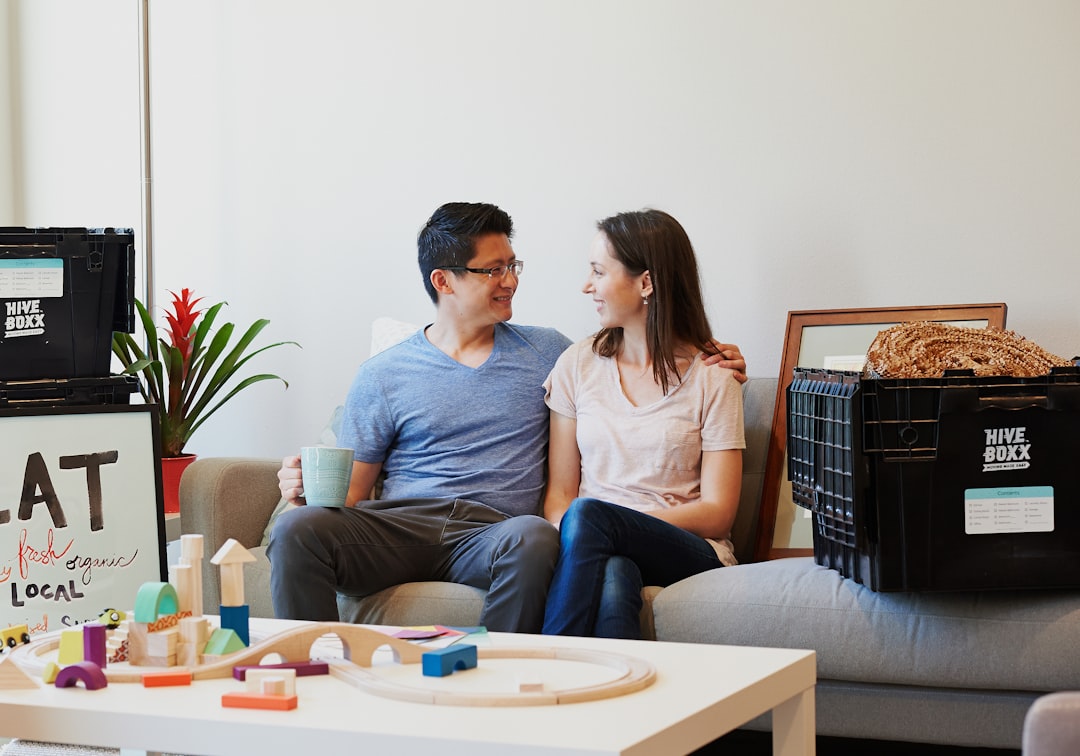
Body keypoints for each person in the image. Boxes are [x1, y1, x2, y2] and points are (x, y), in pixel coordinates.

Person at [268, 201, 747, 634]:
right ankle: (313, 674)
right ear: (444, 280)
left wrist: (720, 357)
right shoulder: (384, 374)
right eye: (493, 270)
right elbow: (349, 492)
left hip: (495, 532)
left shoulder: (550, 353)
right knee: (297, 530)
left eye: (512, 266)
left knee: (534, 535)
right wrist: (300, 486)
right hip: (402, 526)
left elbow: (641, 355)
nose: (511, 280)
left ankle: (499, 679)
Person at [541, 209, 745, 640]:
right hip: (594, 540)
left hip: (691, 549)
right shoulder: (576, 365)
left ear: (646, 283)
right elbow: (559, 496)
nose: (586, 285)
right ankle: (619, 696)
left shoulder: (714, 377)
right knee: (615, 574)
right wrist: (596, 533)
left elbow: (718, 513)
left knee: (592, 517)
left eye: (598, 271)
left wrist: (619, 524)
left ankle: (550, 659)